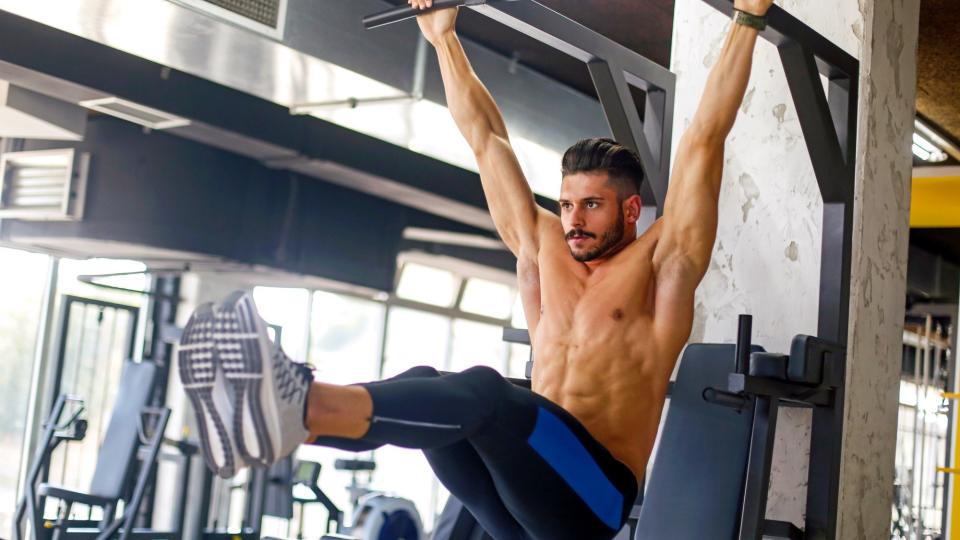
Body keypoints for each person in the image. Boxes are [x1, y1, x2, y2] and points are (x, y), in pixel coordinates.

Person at [177, 1, 774, 538]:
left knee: (486, 394)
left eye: (591, 205)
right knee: (425, 377)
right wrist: (443, 40)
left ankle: (300, 405)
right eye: (566, 204)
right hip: (521, 506)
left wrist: (746, 21)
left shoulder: (663, 265)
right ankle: (296, 424)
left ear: (631, 208)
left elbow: (704, 140)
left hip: (592, 502)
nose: (573, 219)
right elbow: (486, 138)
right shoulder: (542, 247)